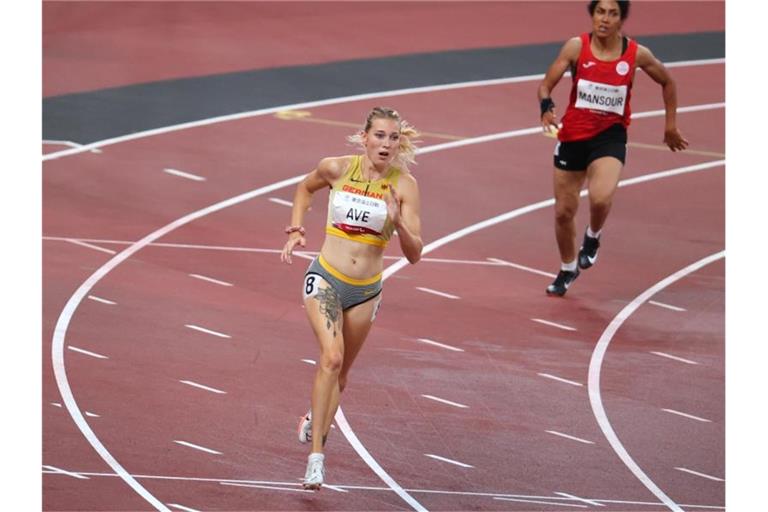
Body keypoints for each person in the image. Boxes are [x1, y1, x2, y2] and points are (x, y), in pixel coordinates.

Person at [280, 107, 423, 489]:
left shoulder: (404, 186)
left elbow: (415, 253)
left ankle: (315, 414)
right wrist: (296, 228)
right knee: (332, 357)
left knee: (340, 376)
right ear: (364, 138)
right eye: (379, 136)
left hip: (366, 292)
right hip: (326, 277)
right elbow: (304, 188)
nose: (386, 144)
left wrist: (399, 219)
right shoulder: (337, 168)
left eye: (393, 138)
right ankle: (316, 458)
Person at [537, 0, 689, 296]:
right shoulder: (575, 48)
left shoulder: (635, 54)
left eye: (612, 13)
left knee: (601, 196)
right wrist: (546, 105)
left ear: (621, 20)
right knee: (563, 212)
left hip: (610, 137)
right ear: (592, 16)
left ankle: (593, 236)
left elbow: (667, 81)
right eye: (600, 12)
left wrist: (670, 125)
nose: (604, 19)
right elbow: (545, 85)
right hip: (572, 138)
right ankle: (568, 268)